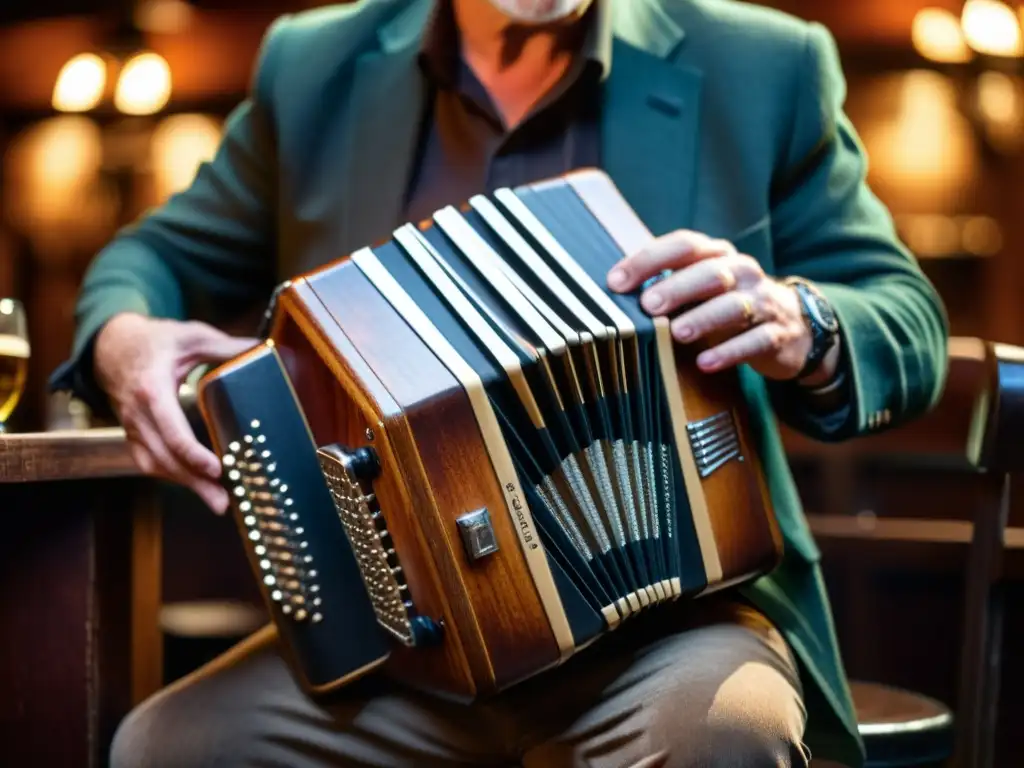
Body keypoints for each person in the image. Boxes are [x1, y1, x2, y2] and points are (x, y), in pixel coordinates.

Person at [51, 0, 950, 765]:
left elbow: (909, 318)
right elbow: (152, 256)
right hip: (401, 639)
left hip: (680, 626)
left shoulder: (764, 62)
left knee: (722, 737)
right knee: (167, 747)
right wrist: (123, 341)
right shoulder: (313, 63)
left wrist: (807, 321)